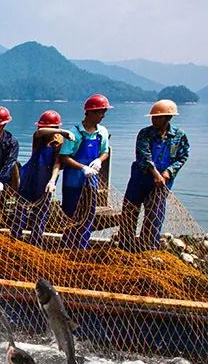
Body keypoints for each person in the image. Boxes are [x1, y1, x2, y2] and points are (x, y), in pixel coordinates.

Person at [119, 99, 190, 250]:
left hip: (162, 182)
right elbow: (143, 154)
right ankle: (126, 246)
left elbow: (183, 156)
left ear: (168, 118)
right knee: (129, 211)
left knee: (154, 214)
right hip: (140, 179)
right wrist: (155, 173)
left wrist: (168, 172)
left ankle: (148, 247)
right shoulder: (145, 133)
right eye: (153, 117)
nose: (154, 120)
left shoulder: (179, 136)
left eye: (158, 117)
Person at [59, 94, 112, 249]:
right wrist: (82, 167)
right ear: (90, 112)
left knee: (88, 214)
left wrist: (99, 160)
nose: (102, 116)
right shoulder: (74, 133)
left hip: (91, 182)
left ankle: (82, 246)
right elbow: (64, 156)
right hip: (73, 182)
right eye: (100, 112)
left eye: (104, 112)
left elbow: (105, 151)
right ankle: (68, 246)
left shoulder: (102, 132)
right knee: (71, 214)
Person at [11, 111, 65, 247]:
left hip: (45, 182)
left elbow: (57, 164)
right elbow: (40, 133)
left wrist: (52, 181)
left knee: (39, 217)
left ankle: (35, 245)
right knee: (20, 212)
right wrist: (63, 131)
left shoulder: (59, 143)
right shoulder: (38, 138)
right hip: (29, 179)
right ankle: (14, 241)